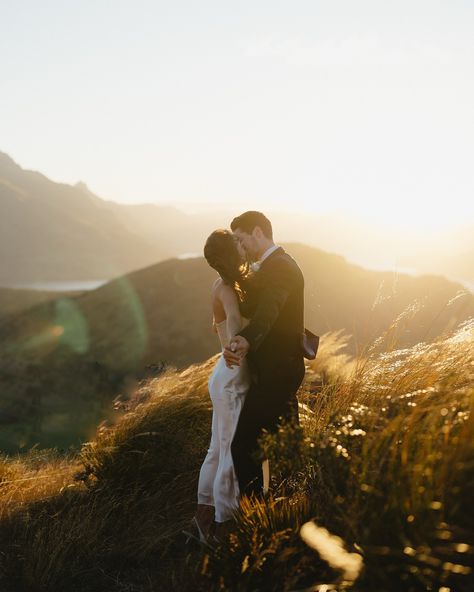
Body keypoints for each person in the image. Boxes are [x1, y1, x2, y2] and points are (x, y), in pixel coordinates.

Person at [223, 211, 306, 500]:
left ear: (258, 232)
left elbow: (268, 312)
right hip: (277, 368)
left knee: (243, 443)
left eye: (241, 239)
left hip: (279, 370)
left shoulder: (280, 266)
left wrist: (245, 339)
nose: (240, 246)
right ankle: (293, 502)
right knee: (286, 443)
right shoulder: (271, 265)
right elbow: (254, 308)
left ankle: (256, 509)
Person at [188, 229, 251, 543]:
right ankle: (224, 525)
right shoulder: (227, 289)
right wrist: (239, 341)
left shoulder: (224, 285)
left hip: (224, 376)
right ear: (231, 253)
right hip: (232, 378)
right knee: (230, 451)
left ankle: (204, 520)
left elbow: (220, 326)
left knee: (218, 448)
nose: (243, 245)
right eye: (237, 243)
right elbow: (235, 321)